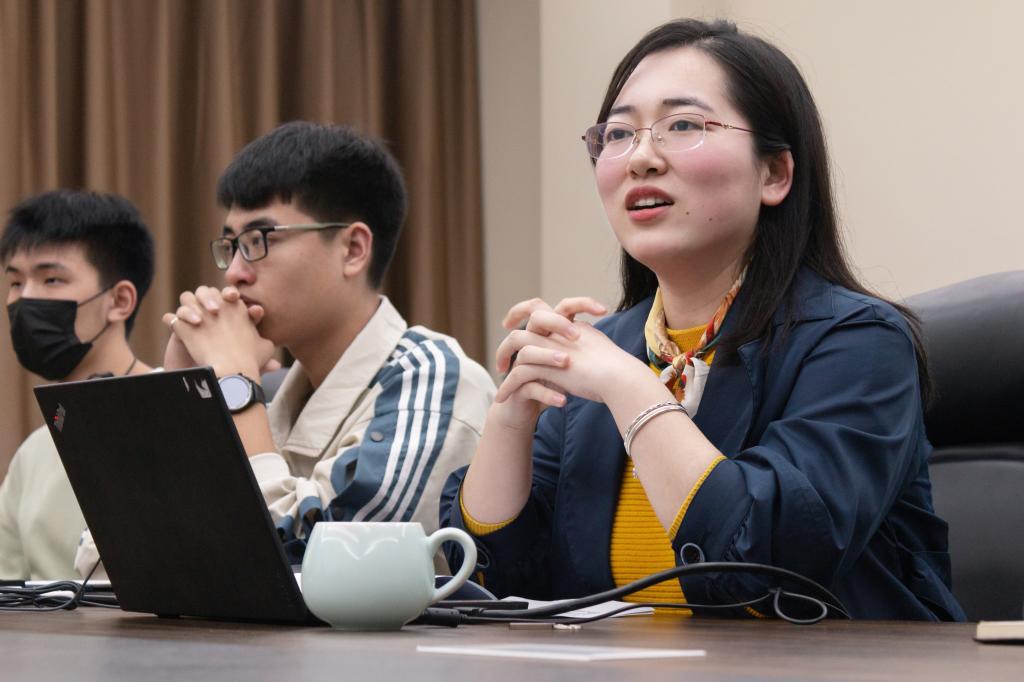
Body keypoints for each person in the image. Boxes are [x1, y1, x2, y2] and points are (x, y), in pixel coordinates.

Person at [440, 18, 965, 620]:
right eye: (619, 133)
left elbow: (768, 560)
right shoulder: (602, 354)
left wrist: (630, 388)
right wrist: (511, 418)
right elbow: (497, 585)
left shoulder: (859, 344)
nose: (640, 157)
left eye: (683, 125)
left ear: (774, 173)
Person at [76, 122, 495, 574]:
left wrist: (236, 385)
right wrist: (185, 400)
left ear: (353, 249)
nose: (234, 272)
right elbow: (102, 566)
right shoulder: (272, 398)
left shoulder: (433, 381)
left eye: (260, 241)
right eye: (231, 245)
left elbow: (321, 571)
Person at [0, 190, 155, 580]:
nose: (25, 298)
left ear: (119, 301)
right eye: (15, 282)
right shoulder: (34, 452)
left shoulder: (179, 415)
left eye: (52, 279)